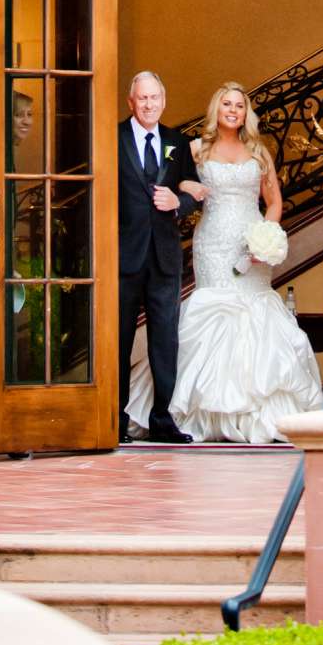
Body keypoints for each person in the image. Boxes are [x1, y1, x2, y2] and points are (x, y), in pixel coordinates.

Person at [128, 80, 322, 446]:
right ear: (216, 109)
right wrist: (187, 190)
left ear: (246, 113)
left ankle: (256, 413)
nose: (233, 111)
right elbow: (170, 182)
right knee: (213, 310)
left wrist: (266, 236)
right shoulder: (195, 149)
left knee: (254, 310)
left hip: (249, 243)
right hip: (213, 242)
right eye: (227, 105)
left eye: (239, 106)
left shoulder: (259, 152)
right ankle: (189, 412)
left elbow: (275, 201)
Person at [117, 70, 201, 445]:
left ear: (163, 101)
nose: (149, 104)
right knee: (116, 340)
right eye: (142, 98)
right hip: (123, 255)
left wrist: (177, 203)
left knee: (165, 340)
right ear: (131, 102)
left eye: (154, 98)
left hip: (165, 257)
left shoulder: (176, 141)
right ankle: (113, 418)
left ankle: (163, 419)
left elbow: (191, 187)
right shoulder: (113, 138)